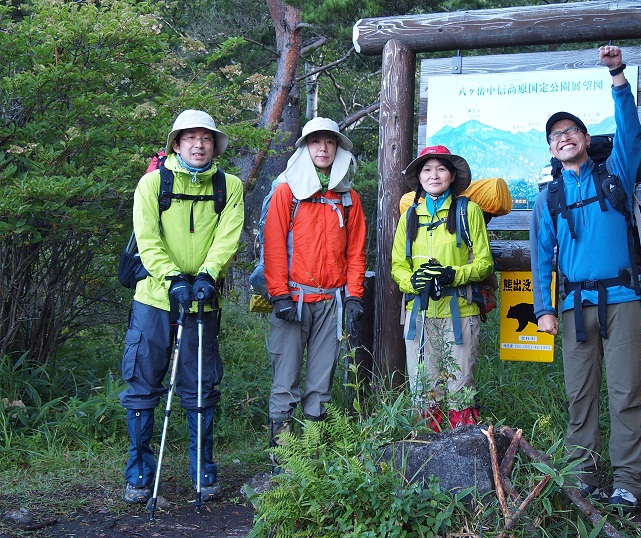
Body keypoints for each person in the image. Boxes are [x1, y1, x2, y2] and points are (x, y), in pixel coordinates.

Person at [529, 45, 641, 513]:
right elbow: (541, 257)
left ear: (583, 137)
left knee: (625, 393)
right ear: (551, 149)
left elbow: (631, 134)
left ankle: (628, 482)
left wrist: (617, 75)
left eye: (571, 131)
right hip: (575, 309)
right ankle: (583, 479)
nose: (564, 138)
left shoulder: (613, 172)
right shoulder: (549, 198)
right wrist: (543, 308)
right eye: (555, 136)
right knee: (579, 397)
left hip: (620, 298)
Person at [120, 110, 244, 503]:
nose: (198, 144)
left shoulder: (230, 186)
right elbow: (147, 237)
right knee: (142, 385)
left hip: (203, 300)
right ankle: (139, 474)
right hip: (154, 300)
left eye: (205, 137)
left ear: (214, 144)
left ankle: (203, 470)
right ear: (176, 143)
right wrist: (172, 278)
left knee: (201, 386)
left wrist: (207, 275)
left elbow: (228, 236)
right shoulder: (152, 184)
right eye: (189, 137)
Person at [263, 117, 367, 447]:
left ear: (338, 149)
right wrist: (278, 295)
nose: (323, 148)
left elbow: (356, 251)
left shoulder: (348, 197)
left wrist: (354, 295)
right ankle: (283, 456)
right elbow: (274, 245)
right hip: (293, 299)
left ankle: (310, 453)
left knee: (321, 381)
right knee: (285, 379)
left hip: (331, 301)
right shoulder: (287, 192)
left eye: (330, 142)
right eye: (315, 142)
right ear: (306, 147)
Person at [391, 146, 494, 431]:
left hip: (460, 311)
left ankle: (462, 455)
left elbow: (485, 263)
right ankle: (429, 459)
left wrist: (454, 275)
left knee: (460, 387)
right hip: (419, 313)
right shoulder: (409, 217)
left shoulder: (467, 211)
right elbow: (398, 264)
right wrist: (411, 281)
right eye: (426, 169)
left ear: (451, 175)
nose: (433, 175)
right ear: (419, 178)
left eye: (440, 169)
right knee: (424, 389)